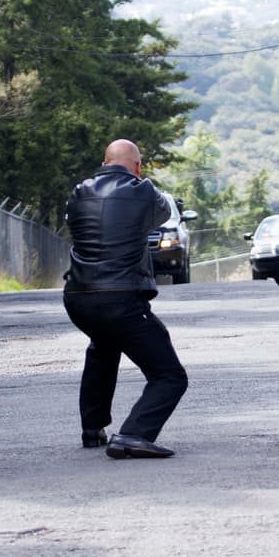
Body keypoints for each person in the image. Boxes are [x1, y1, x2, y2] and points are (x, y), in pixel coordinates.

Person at [63, 139, 188, 459]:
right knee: (170, 376)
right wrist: (144, 184)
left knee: (103, 345)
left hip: (78, 297)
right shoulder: (143, 190)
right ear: (137, 166)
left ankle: (92, 428)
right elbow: (161, 214)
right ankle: (134, 433)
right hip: (120, 298)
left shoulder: (78, 193)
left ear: (104, 163)